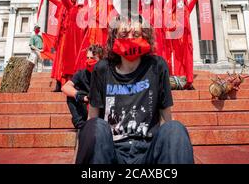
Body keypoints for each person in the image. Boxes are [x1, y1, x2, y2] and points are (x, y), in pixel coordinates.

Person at [75, 15, 194, 164]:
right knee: (94, 126)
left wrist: (174, 142)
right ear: (115, 39)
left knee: (175, 129)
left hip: (148, 152)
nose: (130, 38)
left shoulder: (157, 66)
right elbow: (92, 118)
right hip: (112, 152)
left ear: (145, 37)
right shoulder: (102, 69)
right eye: (124, 35)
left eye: (136, 34)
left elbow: (167, 118)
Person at [61, 44, 105, 129]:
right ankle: (81, 125)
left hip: (101, 108)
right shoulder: (82, 73)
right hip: (86, 107)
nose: (89, 61)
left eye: (92, 58)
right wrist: (80, 96)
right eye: (87, 58)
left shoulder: (106, 73)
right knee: (72, 95)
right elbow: (65, 87)